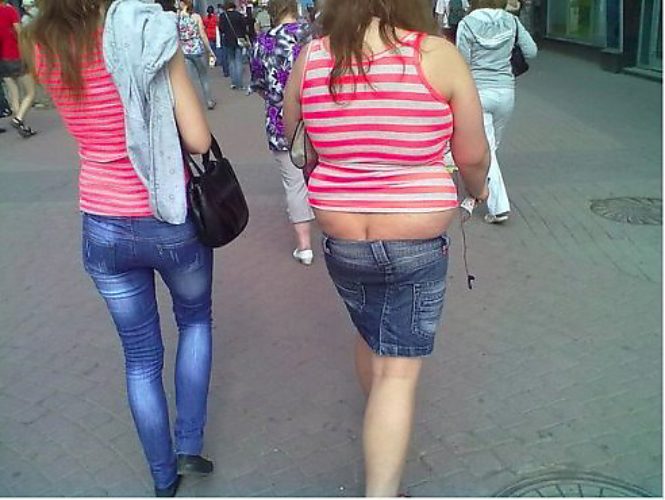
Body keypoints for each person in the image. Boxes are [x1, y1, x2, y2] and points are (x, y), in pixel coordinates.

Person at [283, 0, 490, 495]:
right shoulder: (436, 55)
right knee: (398, 373)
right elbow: (473, 154)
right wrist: (478, 190)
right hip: (415, 240)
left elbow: (297, 142)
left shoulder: (312, 58)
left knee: (371, 332)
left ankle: (379, 415)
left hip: (343, 239)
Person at [25, 0, 216, 496]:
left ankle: (162, 477)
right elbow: (198, 140)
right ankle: (188, 445)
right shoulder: (149, 31)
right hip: (167, 217)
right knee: (195, 322)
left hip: (102, 223)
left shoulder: (43, 41)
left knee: (139, 358)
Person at [456, 0, 536, 223]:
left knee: (487, 148)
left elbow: (462, 61)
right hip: (506, 92)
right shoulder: (512, 21)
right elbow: (531, 51)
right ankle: (481, 191)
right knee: (490, 146)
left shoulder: (467, 24)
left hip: (478, 93)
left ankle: (498, 206)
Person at [251, 0, 314, 265]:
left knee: (294, 183)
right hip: (318, 116)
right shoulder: (314, 35)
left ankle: (305, 246)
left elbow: (259, 84)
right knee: (326, 174)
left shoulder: (263, 42)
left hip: (280, 121)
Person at [0, 0, 36, 137]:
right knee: (30, 92)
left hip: (2, 59)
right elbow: (19, 32)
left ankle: (22, 126)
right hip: (15, 55)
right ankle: (18, 119)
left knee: (14, 94)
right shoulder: (9, 10)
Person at [178, 0, 216, 109]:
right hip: (198, 50)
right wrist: (210, 50)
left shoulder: (177, 18)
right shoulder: (196, 17)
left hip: (185, 51)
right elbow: (202, 34)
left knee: (189, 80)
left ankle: (191, 104)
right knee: (204, 77)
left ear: (183, 4)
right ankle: (209, 101)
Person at [219, 0, 249, 90]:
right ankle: (240, 84)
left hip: (228, 41)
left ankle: (234, 83)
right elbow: (244, 28)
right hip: (239, 40)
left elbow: (221, 29)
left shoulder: (223, 16)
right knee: (238, 61)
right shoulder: (239, 15)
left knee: (231, 61)